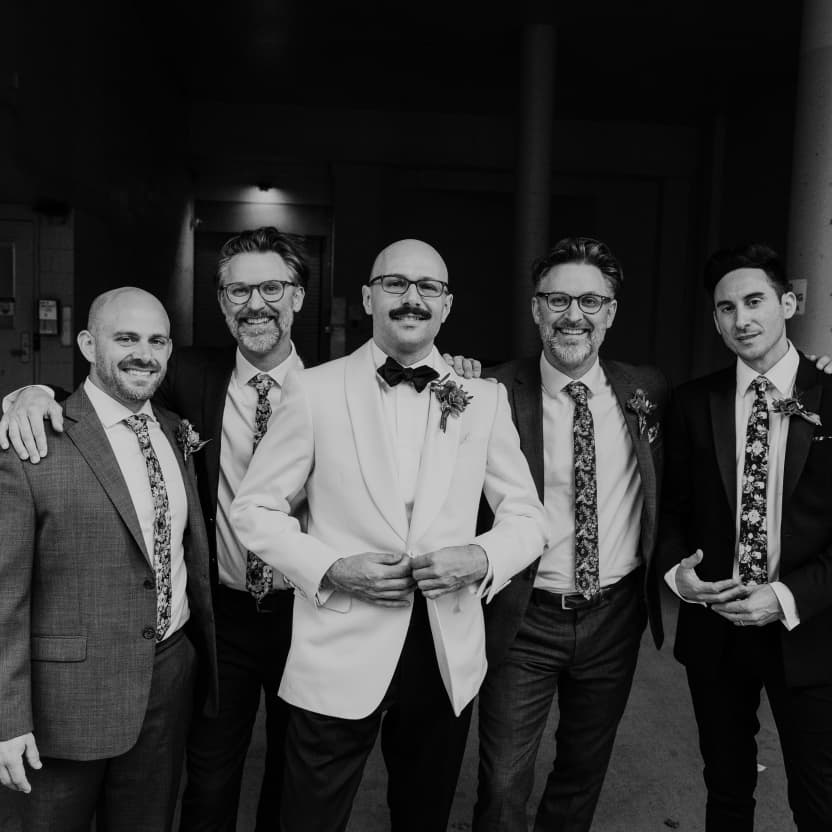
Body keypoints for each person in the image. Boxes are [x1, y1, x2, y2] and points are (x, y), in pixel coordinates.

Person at [0, 226, 482, 832]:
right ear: (221, 302)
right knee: (209, 772)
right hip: (220, 614)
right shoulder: (188, 376)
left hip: (315, 609)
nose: (257, 304)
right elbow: (112, 394)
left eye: (273, 287)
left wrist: (451, 368)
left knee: (296, 770)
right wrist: (31, 391)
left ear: (299, 297)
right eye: (238, 291)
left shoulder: (345, 385)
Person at [229, 238, 547, 832]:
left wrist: (480, 556)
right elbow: (254, 509)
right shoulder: (315, 389)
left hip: (443, 647)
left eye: (429, 287)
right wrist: (331, 568)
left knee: (422, 815)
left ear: (447, 305)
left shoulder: (482, 398)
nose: (412, 298)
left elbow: (530, 519)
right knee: (309, 816)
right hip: (340, 641)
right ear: (368, 297)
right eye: (396, 284)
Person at [0, 288, 217, 832]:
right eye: (126, 339)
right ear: (87, 344)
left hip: (166, 682)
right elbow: (5, 595)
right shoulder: (33, 441)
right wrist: (6, 719)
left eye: (157, 340)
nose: (143, 354)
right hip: (63, 704)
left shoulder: (174, 428)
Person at [471, 236, 667, 832]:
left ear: (611, 311)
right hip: (524, 615)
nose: (573, 315)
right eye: (557, 300)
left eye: (590, 300)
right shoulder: (491, 391)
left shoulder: (649, 391)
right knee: (503, 778)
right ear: (536, 309)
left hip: (614, 616)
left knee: (584, 768)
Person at [659, 243, 832, 832]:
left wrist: (784, 597)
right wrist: (678, 575)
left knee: (820, 799)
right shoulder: (691, 401)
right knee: (726, 793)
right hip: (717, 629)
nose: (742, 319)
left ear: (788, 302)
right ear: (715, 319)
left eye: (755, 301)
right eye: (726, 308)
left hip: (810, 628)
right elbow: (672, 511)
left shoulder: (831, 397)